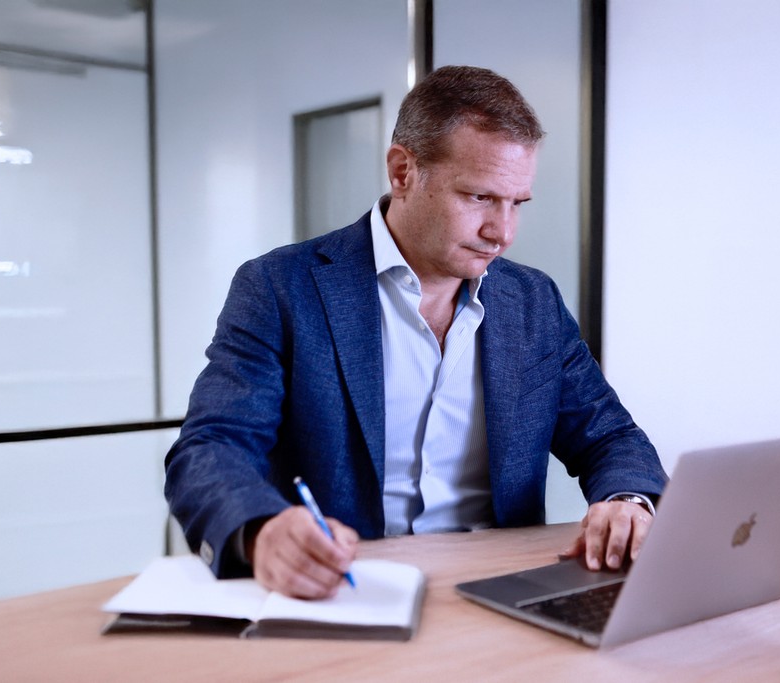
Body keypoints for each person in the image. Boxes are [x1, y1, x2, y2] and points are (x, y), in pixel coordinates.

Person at [165, 65, 667, 600]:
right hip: (347, 592)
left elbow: (610, 436)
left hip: (504, 596)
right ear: (403, 172)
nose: (503, 233)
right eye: (479, 198)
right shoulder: (281, 288)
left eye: (517, 203)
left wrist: (628, 502)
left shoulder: (532, 302)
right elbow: (209, 447)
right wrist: (261, 530)